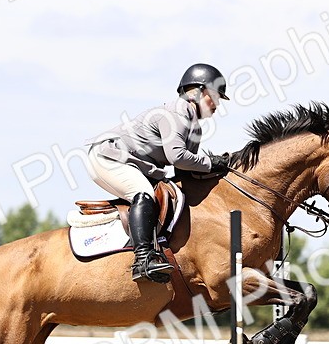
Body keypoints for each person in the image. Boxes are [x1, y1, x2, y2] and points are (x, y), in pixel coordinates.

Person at [85, 63, 231, 283]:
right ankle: (143, 259)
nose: (217, 105)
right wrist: (210, 163)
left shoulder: (195, 127)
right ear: (198, 92)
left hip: (133, 163)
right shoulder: (177, 113)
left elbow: (184, 172)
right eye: (216, 96)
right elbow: (177, 157)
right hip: (107, 157)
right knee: (143, 193)